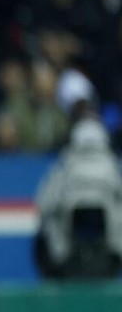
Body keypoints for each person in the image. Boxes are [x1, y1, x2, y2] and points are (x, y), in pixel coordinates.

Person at [34, 117, 122, 278]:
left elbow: (44, 204)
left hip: (65, 257)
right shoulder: (113, 167)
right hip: (108, 258)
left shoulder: (64, 166)